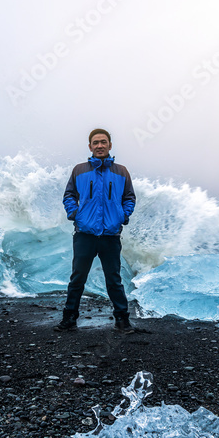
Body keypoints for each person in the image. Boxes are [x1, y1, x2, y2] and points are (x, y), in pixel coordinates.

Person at [54, 128, 136, 333]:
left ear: (110, 145)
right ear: (90, 146)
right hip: (85, 234)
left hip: (110, 235)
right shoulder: (79, 170)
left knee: (114, 280)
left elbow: (129, 198)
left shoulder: (121, 171)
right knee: (77, 278)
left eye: (103, 142)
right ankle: (69, 319)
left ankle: (122, 320)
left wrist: (122, 217)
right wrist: (75, 214)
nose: (100, 145)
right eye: (96, 142)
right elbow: (69, 195)